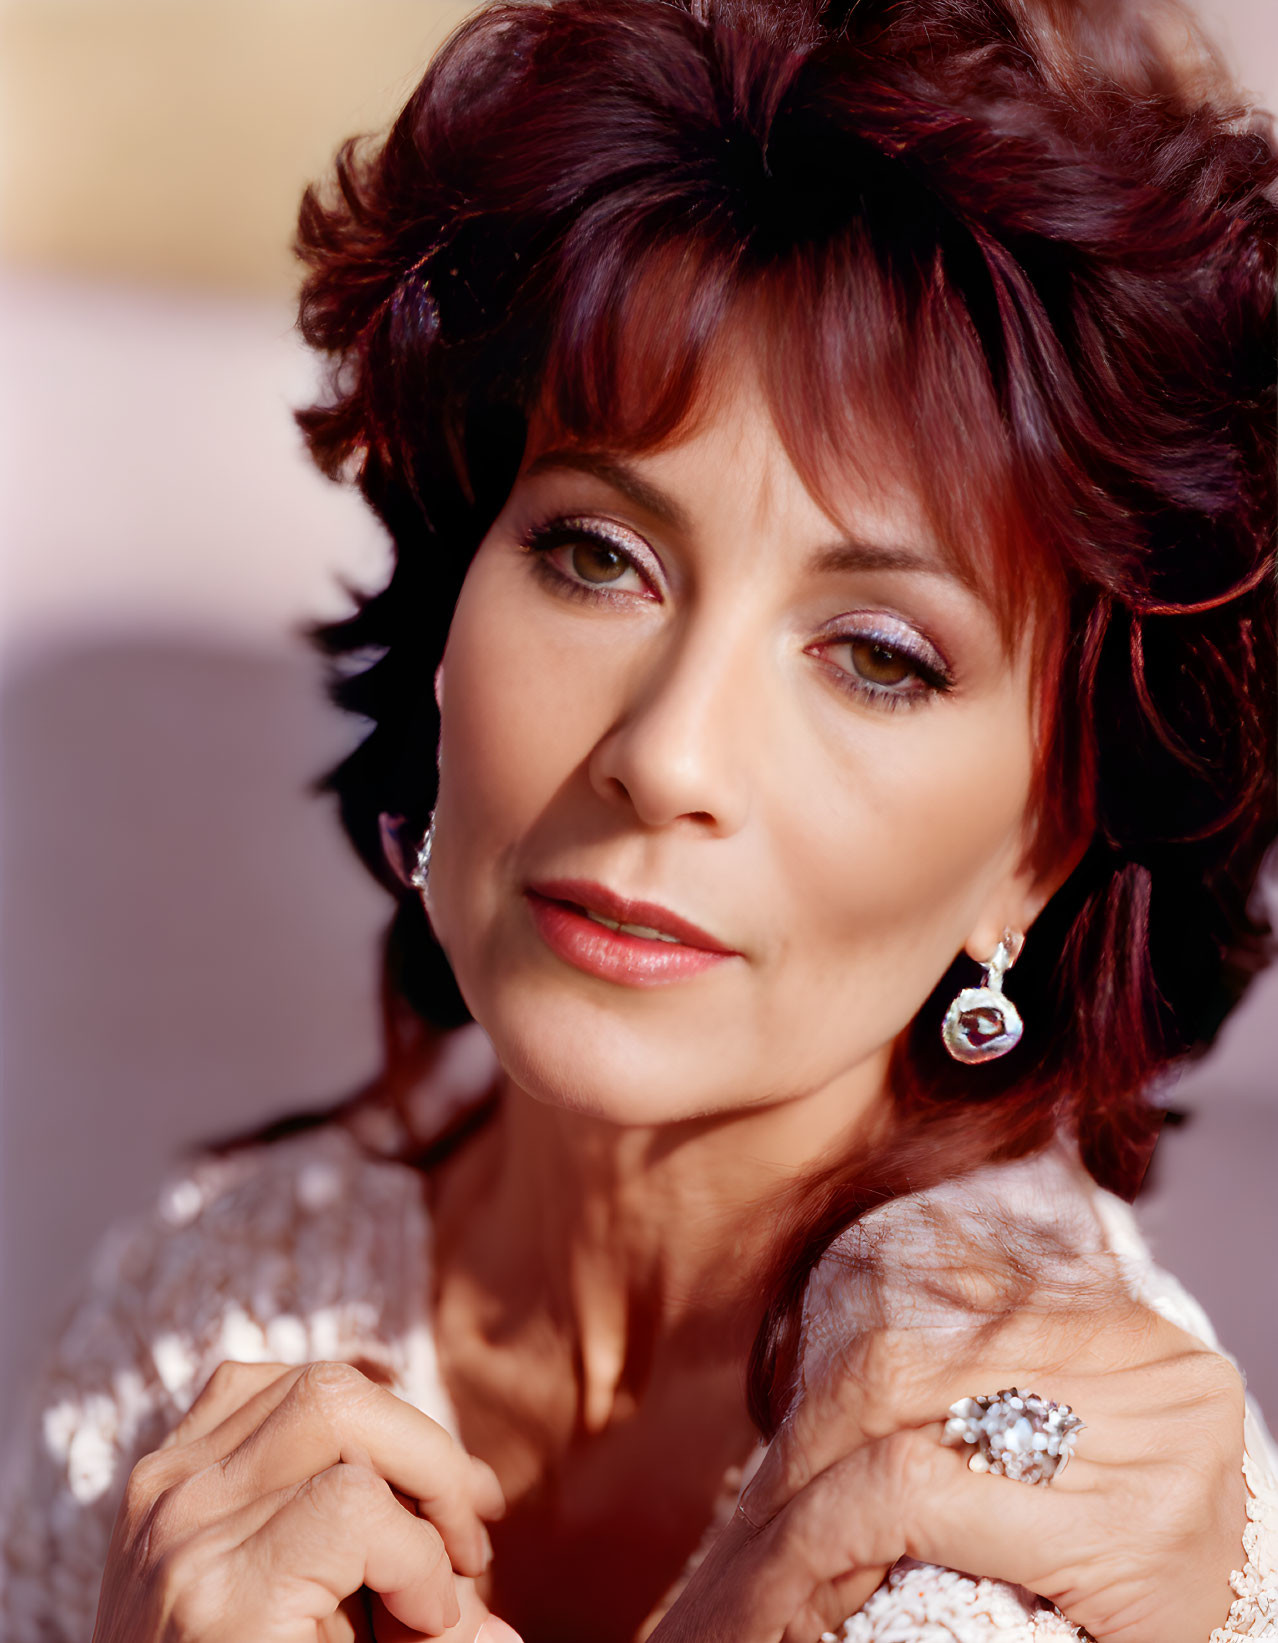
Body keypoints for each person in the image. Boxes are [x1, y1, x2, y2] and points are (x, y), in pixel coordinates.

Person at [2, 0, 1276, 1637]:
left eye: (876, 657)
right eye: (599, 554)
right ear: (454, 605)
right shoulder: (195, 1320)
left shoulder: (1031, 1537)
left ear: (1042, 840)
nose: (667, 756)